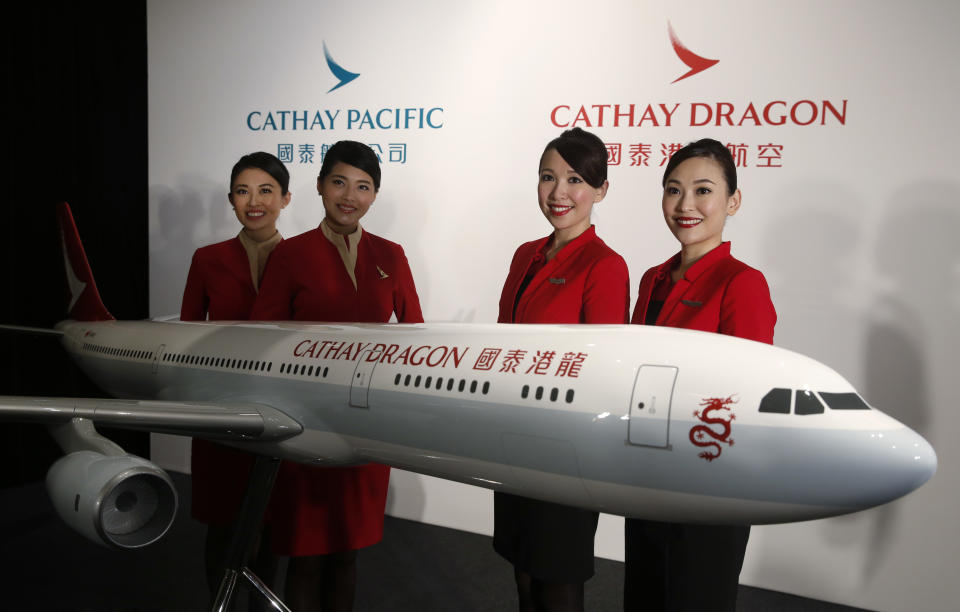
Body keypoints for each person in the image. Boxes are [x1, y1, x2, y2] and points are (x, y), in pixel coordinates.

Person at [250, 140, 423, 612]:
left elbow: (414, 339)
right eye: (339, 182)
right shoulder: (291, 255)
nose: (350, 195)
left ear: (375, 195)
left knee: (347, 555)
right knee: (305, 559)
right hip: (306, 424)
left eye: (363, 186)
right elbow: (260, 342)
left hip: (367, 426)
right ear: (321, 187)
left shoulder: (392, 255)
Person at [623, 138, 776, 611]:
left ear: (733, 201)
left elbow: (747, 397)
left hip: (710, 481)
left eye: (703, 190)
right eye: (673, 190)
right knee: (646, 597)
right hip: (648, 473)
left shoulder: (741, 283)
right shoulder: (652, 278)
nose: (685, 205)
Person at [494, 128, 629, 612]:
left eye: (575, 179)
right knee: (524, 568)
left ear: (601, 190)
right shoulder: (525, 255)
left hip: (564, 449)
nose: (559, 193)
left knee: (559, 575)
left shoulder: (605, 265)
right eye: (548, 177)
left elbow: (603, 372)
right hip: (514, 437)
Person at [180, 151, 291, 593]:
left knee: (273, 532)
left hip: (286, 412)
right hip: (221, 411)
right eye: (243, 192)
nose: (254, 201)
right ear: (231, 200)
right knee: (224, 531)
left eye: (266, 191)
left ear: (285, 198)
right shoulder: (208, 259)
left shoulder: (303, 258)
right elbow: (185, 340)